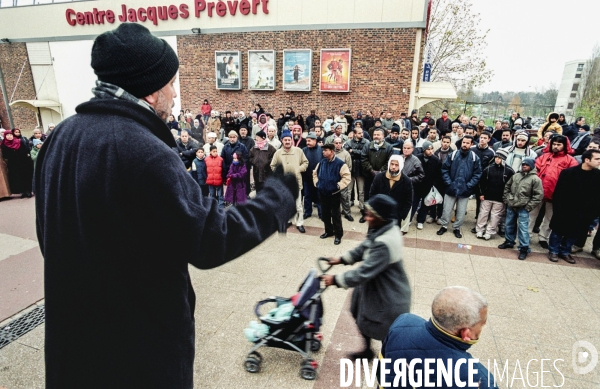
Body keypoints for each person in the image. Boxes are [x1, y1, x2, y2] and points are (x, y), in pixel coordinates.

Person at [34, 23, 298, 389]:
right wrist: (276, 200)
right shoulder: (146, 152)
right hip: (137, 353)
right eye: (172, 83)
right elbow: (210, 240)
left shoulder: (59, 138)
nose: (175, 94)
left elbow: (49, 236)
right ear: (153, 90)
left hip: (73, 347)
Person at [320, 194, 411, 359]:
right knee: (359, 311)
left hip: (389, 294)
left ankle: (388, 358)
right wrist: (341, 259)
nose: (366, 217)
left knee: (385, 329)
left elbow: (363, 272)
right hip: (376, 287)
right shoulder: (383, 227)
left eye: (370, 215)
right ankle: (368, 350)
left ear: (381, 217)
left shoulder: (385, 242)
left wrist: (335, 280)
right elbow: (365, 247)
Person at [380, 286, 498, 388]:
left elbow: (382, 365)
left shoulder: (403, 323)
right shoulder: (480, 379)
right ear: (465, 333)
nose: (482, 327)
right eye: (481, 324)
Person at [547, 149, 600, 264]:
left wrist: (593, 213)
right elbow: (559, 193)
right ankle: (553, 251)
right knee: (558, 231)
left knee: (574, 233)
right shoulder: (568, 173)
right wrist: (558, 209)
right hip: (565, 209)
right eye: (597, 159)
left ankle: (565, 251)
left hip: (584, 212)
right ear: (587, 160)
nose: (599, 161)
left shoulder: (597, 176)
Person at [528, 135, 578, 249]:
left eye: (559, 144)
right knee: (531, 215)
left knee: (549, 218)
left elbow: (572, 178)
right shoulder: (544, 156)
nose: (555, 146)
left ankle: (543, 237)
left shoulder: (570, 160)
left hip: (556, 194)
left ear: (564, 146)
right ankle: (526, 235)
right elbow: (534, 171)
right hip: (538, 192)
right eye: (554, 144)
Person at [437, 136, 482, 238]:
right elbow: (444, 170)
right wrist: (449, 183)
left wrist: (469, 185)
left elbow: (478, 174)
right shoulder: (453, 155)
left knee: (461, 212)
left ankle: (457, 228)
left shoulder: (475, 158)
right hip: (451, 189)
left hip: (465, 190)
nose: (465, 144)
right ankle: (444, 226)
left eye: (467, 143)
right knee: (447, 209)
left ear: (471, 144)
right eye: (463, 142)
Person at [499, 158, 543, 260]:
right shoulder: (516, 175)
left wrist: (528, 207)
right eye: (523, 164)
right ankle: (509, 241)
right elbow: (507, 187)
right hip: (512, 204)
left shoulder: (535, 179)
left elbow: (538, 196)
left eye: (527, 165)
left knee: (523, 229)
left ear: (531, 166)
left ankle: (524, 248)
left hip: (524, 207)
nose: (524, 166)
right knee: (509, 224)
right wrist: (507, 199)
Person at [271, 130, 308, 233]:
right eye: (285, 140)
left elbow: (305, 163)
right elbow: (272, 165)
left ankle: (299, 223)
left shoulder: (298, 151)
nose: (287, 141)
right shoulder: (278, 153)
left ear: (292, 140)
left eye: (289, 139)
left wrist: (298, 169)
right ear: (282, 140)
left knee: (298, 205)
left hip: (296, 182)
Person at [313, 143, 351, 245]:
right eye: (323, 150)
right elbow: (315, 173)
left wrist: (338, 186)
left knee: (336, 215)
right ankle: (328, 231)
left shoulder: (340, 164)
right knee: (325, 214)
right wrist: (317, 183)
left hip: (334, 194)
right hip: (323, 192)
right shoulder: (321, 162)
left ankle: (338, 234)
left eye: (326, 150)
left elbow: (347, 177)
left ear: (332, 151)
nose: (323, 152)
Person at [475, 149, 514, 240]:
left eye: (499, 158)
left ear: (504, 159)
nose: (497, 159)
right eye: (496, 157)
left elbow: (511, 185)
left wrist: (506, 197)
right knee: (483, 213)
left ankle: (490, 231)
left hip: (500, 198)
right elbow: (481, 182)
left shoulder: (509, 171)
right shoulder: (488, 168)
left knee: (495, 216)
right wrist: (481, 193)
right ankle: (480, 230)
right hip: (487, 196)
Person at [369, 155, 413, 226]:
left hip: (395, 218)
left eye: (396, 165)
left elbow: (408, 201)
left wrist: (400, 215)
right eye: (392, 164)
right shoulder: (379, 177)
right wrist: (374, 212)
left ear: (401, 166)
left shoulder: (406, 181)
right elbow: (372, 194)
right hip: (378, 216)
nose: (393, 167)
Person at [361, 128, 393, 221]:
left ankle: (380, 214)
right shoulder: (367, 146)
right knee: (368, 195)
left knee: (381, 195)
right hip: (369, 175)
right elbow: (363, 159)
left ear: (383, 136)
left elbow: (389, 161)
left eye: (378, 135)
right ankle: (366, 214)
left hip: (383, 177)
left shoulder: (389, 147)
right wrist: (371, 170)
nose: (376, 136)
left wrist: (380, 172)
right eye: (375, 134)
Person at [414, 141, 442, 230]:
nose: (430, 151)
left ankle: (420, 221)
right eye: (428, 149)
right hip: (417, 185)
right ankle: (409, 219)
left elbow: (438, 175)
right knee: (414, 203)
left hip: (428, 186)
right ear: (424, 150)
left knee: (425, 205)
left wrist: (433, 184)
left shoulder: (436, 160)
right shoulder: (417, 158)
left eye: (431, 149)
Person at [400, 140, 424, 233]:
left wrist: (409, 180)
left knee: (407, 208)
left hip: (409, 188)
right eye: (404, 148)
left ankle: (404, 229)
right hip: (398, 186)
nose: (406, 150)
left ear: (412, 149)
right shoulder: (399, 157)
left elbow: (421, 175)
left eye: (408, 148)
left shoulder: (415, 160)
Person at [344, 127, 369, 216]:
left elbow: (365, 153)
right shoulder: (349, 142)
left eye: (362, 132)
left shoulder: (366, 142)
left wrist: (353, 151)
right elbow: (346, 152)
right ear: (354, 134)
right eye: (359, 133)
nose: (361, 134)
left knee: (361, 191)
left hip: (361, 170)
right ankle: (346, 208)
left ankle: (362, 207)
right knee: (348, 190)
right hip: (350, 169)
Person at [1, 129, 33, 198]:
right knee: (18, 178)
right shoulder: (4, 144)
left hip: (23, 162)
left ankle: (28, 191)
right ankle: (22, 192)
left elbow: (25, 149)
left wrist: (18, 154)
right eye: (7, 135)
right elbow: (5, 155)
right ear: (5, 136)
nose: (9, 136)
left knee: (26, 176)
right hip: (13, 164)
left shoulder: (19, 141)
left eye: (10, 135)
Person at [301, 132, 322, 220]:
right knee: (307, 196)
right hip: (307, 178)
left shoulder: (321, 150)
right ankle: (307, 212)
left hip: (319, 179)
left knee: (319, 197)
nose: (307, 143)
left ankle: (321, 214)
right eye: (306, 141)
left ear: (315, 141)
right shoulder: (304, 150)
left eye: (309, 141)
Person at [333, 137, 353, 221]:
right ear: (334, 143)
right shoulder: (331, 153)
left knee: (345, 197)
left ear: (342, 143)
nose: (338, 144)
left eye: (339, 143)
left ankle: (347, 213)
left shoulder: (346, 154)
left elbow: (349, 167)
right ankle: (334, 213)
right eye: (336, 143)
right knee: (334, 198)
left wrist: (344, 177)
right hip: (333, 180)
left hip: (342, 180)